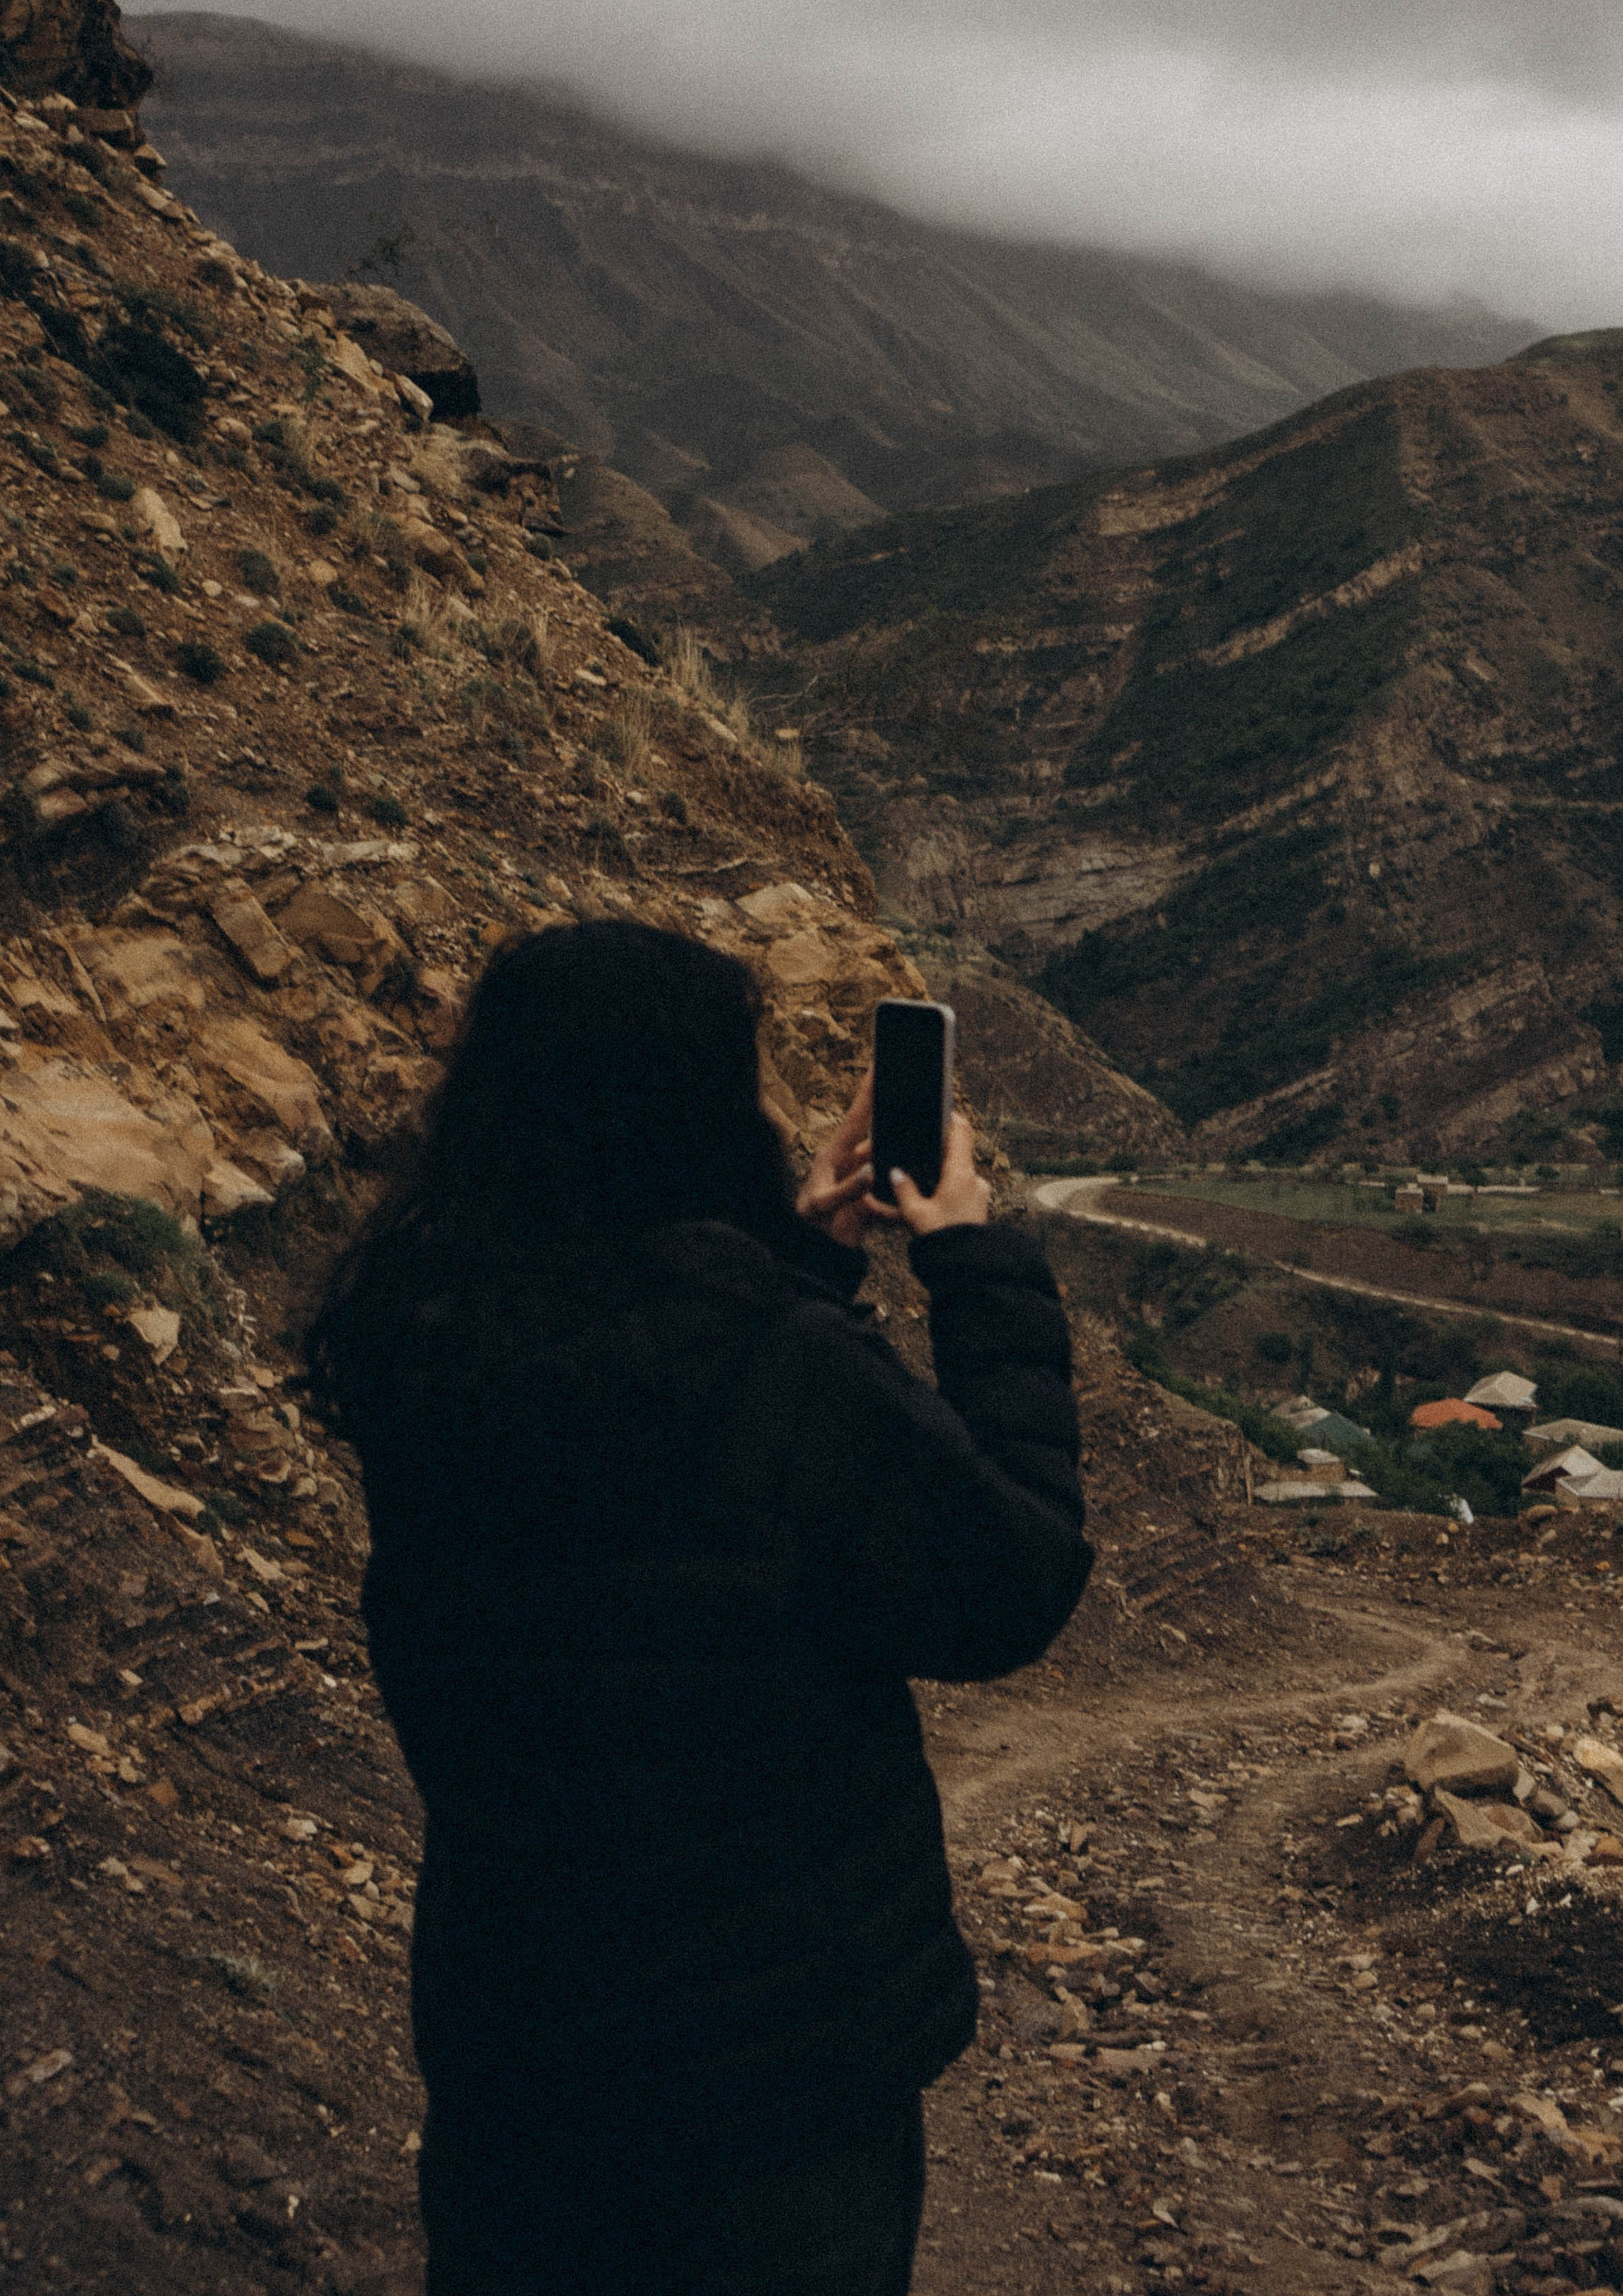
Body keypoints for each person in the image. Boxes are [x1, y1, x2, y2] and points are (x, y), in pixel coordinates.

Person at [307, 915, 1092, 2295]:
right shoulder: (770, 1374)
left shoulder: (418, 1351)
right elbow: (1007, 1581)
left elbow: (623, 1461)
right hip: (771, 2096)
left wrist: (786, 1265)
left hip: (522, 2064)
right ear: (697, 1115)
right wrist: (974, 1265)